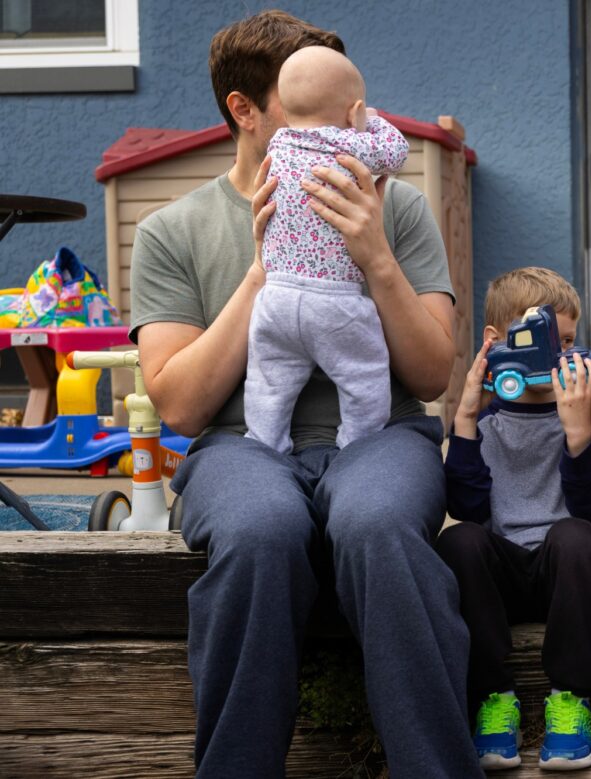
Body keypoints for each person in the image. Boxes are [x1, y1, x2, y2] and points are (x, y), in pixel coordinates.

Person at [129, 10, 482, 778]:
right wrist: (264, 273)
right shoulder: (171, 231)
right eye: (301, 100)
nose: (338, 122)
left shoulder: (396, 205)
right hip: (241, 447)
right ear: (245, 111)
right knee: (259, 527)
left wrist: (376, 257)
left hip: (381, 437)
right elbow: (180, 407)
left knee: (378, 521)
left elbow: (431, 374)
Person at [437, 267, 591, 771]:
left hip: (566, 577)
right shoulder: (487, 423)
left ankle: (571, 700)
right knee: (459, 541)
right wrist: (465, 421)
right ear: (498, 341)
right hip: (501, 581)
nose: (562, 354)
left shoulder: (574, 416)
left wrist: (579, 436)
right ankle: (493, 700)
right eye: (550, 341)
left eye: (569, 342)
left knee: (577, 536)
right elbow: (467, 508)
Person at [245, 45, 409, 454]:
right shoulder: (350, 146)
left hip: (276, 299)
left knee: (268, 382)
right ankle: (356, 448)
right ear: (354, 111)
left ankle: (264, 445)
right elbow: (397, 152)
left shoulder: (278, 145)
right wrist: (371, 121)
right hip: (335, 303)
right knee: (364, 377)